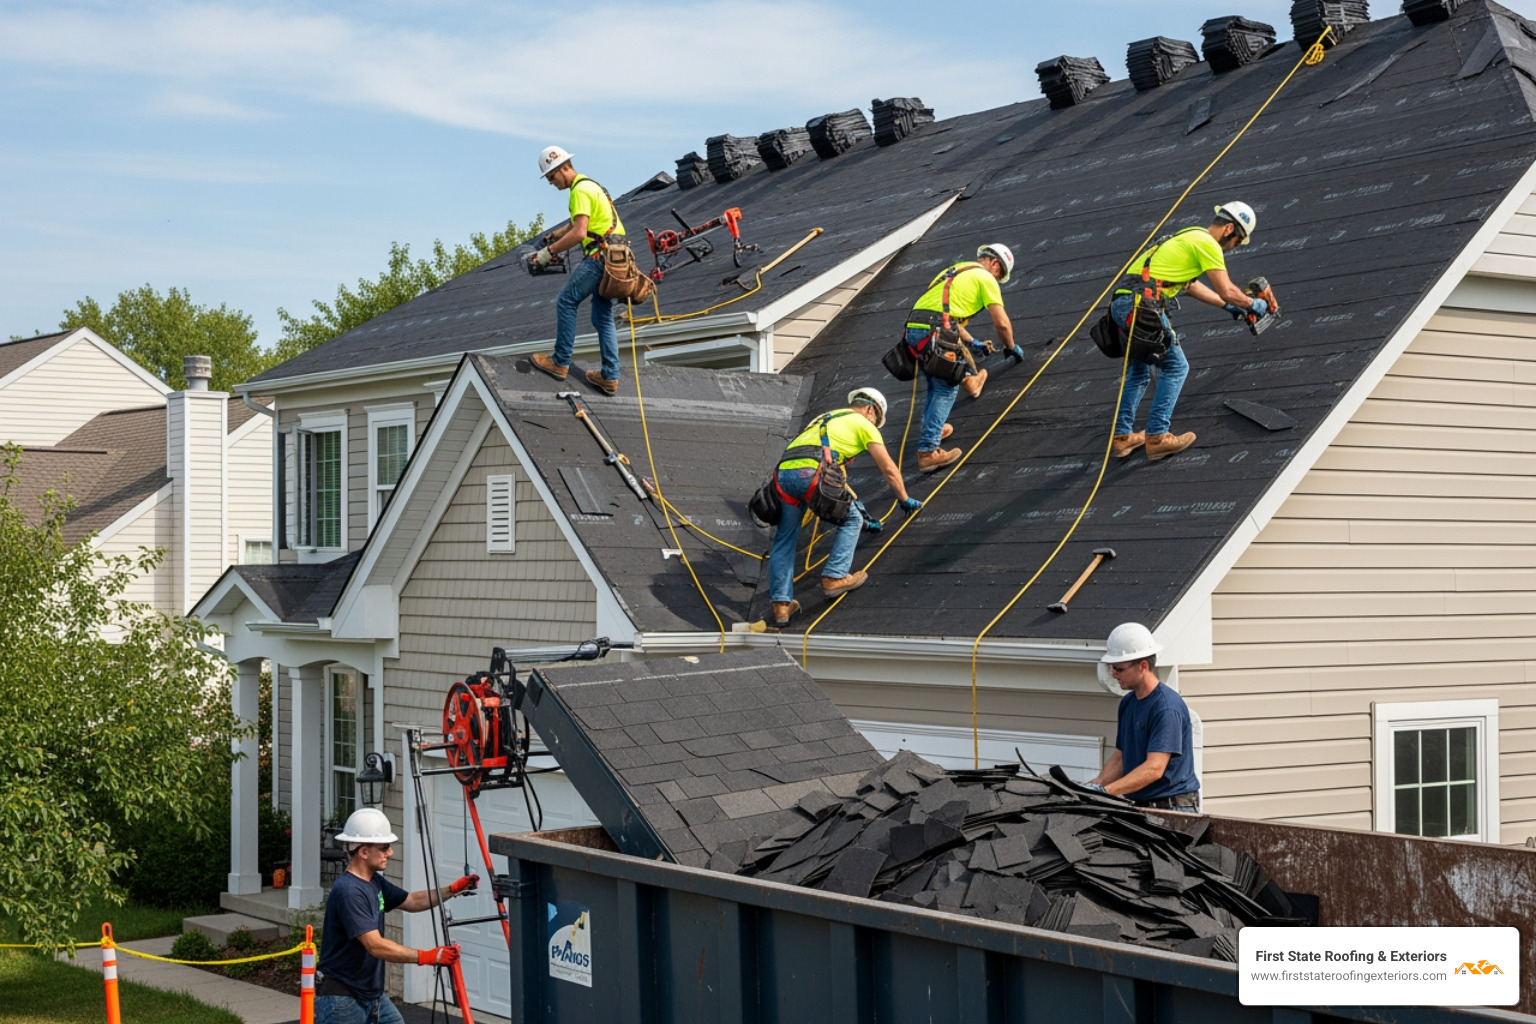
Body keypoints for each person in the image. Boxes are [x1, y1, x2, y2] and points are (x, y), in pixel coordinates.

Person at [1110, 201, 1268, 461]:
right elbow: (1226, 289)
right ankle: (1158, 437)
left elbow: (1191, 286)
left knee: (1138, 371)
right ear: (1229, 228)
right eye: (1237, 241)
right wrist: (1253, 304)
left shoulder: (1187, 236)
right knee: (1175, 367)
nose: (1234, 247)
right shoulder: (1208, 244)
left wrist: (1229, 307)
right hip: (1143, 307)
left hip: (1123, 304)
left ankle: (1123, 438)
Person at [767, 387, 922, 628]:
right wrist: (904, 499)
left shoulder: (824, 418)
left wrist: (863, 511)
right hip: (813, 473)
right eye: (877, 419)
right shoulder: (864, 424)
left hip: (783, 476)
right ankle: (834, 578)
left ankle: (781, 607)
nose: (875, 423)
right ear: (871, 410)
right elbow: (889, 469)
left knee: (785, 539)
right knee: (851, 521)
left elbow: (842, 487)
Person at [315, 807, 479, 1024]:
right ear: (363, 851)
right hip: (342, 997)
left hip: (370, 994)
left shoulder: (374, 881)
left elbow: (411, 901)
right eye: (384, 848)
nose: (390, 853)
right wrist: (428, 956)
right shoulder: (349, 891)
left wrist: (451, 890)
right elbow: (375, 945)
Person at [901, 244, 1017, 472]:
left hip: (914, 329)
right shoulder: (985, 278)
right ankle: (928, 452)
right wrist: (1010, 347)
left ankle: (933, 428)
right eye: (999, 274)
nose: (997, 279)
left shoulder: (953, 271)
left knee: (936, 383)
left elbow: (947, 316)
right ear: (995, 264)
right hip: (936, 332)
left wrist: (973, 343)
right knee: (946, 387)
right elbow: (1002, 323)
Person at [529, 144, 627, 397]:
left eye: (551, 177)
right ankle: (610, 377)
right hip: (618, 257)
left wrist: (546, 253)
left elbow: (580, 232)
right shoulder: (593, 186)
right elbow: (583, 222)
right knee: (602, 318)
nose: (551, 183)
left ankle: (560, 362)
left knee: (566, 301)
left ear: (564, 168)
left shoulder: (578, 191)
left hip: (600, 257)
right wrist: (556, 235)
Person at [1085, 623, 1200, 810]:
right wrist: (1095, 786)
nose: (1113, 674)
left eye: (1119, 668)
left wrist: (1106, 792)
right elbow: (1122, 756)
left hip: (1174, 810)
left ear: (1143, 666)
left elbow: (1154, 768)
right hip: (1143, 806)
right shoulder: (1128, 703)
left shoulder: (1166, 708)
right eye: (1111, 667)